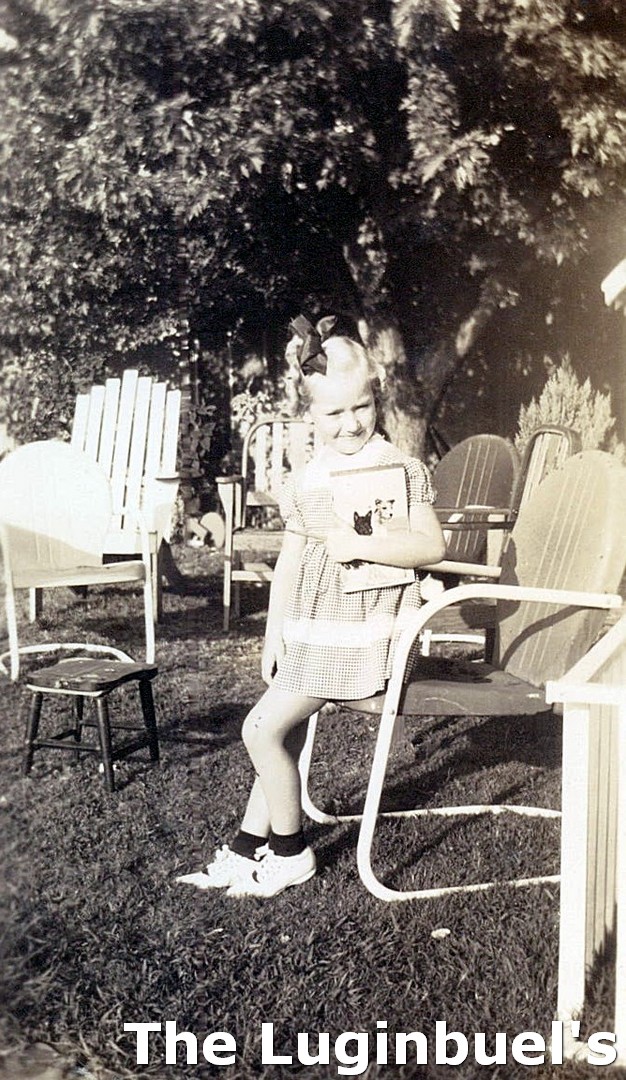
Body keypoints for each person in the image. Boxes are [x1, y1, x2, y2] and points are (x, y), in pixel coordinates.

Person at [178, 315, 446, 898]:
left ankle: (290, 851)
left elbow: (432, 546)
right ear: (310, 413)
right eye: (333, 413)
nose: (350, 424)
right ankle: (245, 850)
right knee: (284, 730)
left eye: (361, 407)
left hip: (367, 637)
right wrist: (274, 633)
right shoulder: (307, 479)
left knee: (259, 729)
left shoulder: (400, 470)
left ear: (377, 398)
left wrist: (363, 544)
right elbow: (292, 561)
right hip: (314, 632)